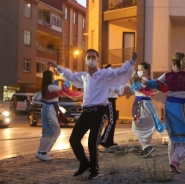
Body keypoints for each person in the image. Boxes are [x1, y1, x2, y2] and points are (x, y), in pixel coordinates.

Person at [47, 49, 136, 180]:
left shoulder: (104, 74)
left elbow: (119, 72)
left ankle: (95, 169)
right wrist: (57, 67)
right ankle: (85, 163)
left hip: (99, 112)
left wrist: (131, 62)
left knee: (92, 142)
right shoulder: (84, 76)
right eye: (89, 57)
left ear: (98, 59)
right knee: (73, 139)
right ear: (85, 60)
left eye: (93, 57)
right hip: (86, 112)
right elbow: (70, 76)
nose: (91, 59)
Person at [146, 49, 185, 173]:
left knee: (173, 137)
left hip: (169, 107)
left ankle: (172, 164)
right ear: (183, 63)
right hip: (182, 108)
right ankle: (175, 161)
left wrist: (140, 80)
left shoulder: (167, 76)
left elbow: (152, 83)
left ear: (173, 64)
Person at [128, 62, 164, 158]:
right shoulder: (146, 81)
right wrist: (131, 82)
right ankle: (145, 147)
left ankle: (146, 146)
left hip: (141, 106)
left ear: (146, 70)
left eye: (140, 69)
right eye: (138, 69)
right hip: (145, 105)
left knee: (137, 126)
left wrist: (131, 81)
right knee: (144, 126)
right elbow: (135, 89)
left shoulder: (144, 80)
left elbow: (136, 87)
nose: (138, 71)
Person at [34, 70, 67, 161]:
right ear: (50, 77)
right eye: (52, 75)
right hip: (50, 109)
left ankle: (40, 152)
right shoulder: (51, 87)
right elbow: (64, 87)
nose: (53, 77)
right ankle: (43, 152)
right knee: (55, 131)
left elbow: (59, 90)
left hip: (48, 108)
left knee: (48, 132)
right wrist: (68, 79)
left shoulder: (47, 86)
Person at [100, 64, 125, 148]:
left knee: (112, 121)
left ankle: (109, 141)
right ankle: (104, 140)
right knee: (111, 121)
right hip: (109, 100)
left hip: (110, 100)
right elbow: (117, 90)